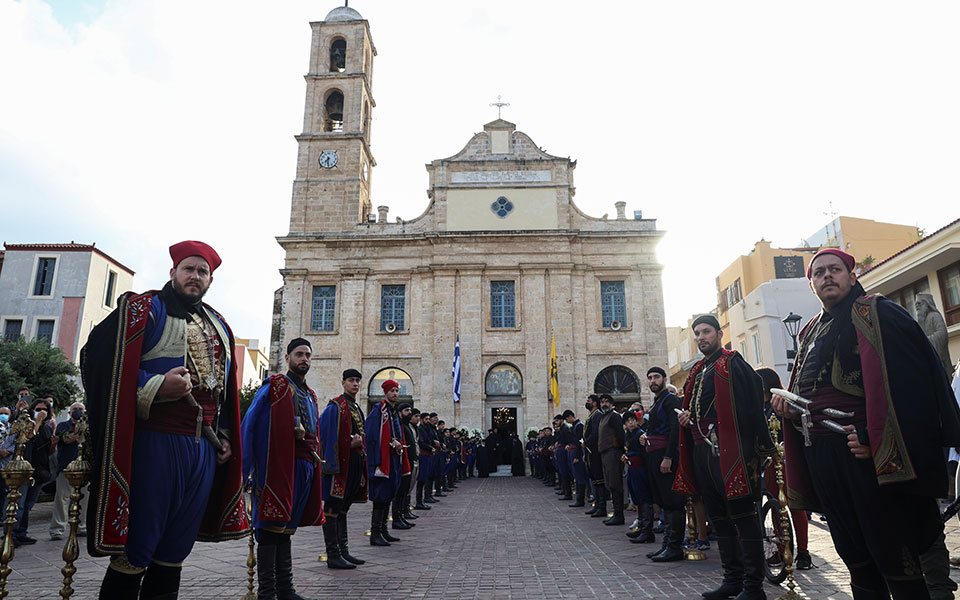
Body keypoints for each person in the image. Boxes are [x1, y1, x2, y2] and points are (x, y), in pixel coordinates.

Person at [771, 248, 960, 599]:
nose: (827, 276)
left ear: (852, 276)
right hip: (824, 459)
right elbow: (811, 395)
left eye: (835, 269)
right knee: (855, 558)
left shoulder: (881, 314)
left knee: (895, 557)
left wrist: (875, 439)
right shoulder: (810, 330)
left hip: (869, 460)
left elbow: (914, 390)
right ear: (812, 285)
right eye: (819, 272)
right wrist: (791, 409)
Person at [81, 240, 247, 599]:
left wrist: (225, 435)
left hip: (202, 450)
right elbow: (99, 361)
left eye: (203, 272)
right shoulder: (144, 310)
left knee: (175, 551)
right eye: (188, 269)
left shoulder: (218, 324)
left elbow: (222, 395)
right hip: (155, 445)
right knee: (136, 548)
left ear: (210, 280)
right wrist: (156, 386)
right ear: (173, 273)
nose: (195, 276)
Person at [674, 315, 775, 600]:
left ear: (719, 334)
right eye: (697, 333)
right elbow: (698, 408)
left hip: (732, 452)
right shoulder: (697, 370)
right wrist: (688, 418)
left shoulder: (733, 362)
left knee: (743, 516)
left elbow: (754, 396)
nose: (701, 337)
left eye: (706, 331)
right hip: (703, 452)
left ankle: (753, 587)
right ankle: (732, 579)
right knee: (718, 518)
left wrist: (748, 440)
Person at [241, 338, 323, 599]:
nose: (304, 359)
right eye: (299, 354)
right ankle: (267, 593)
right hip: (277, 469)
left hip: (304, 469)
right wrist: (244, 471)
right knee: (268, 529)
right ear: (287, 358)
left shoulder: (310, 395)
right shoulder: (275, 387)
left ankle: (285, 589)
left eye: (308, 355)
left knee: (286, 530)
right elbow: (250, 424)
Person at [755, 367, 811, 571]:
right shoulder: (760, 406)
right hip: (769, 464)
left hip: (787, 461)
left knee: (795, 506)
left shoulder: (782, 403)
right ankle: (780, 548)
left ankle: (803, 552)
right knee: (776, 509)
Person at [318, 368, 368, 569]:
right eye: (351, 380)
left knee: (344, 508)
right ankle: (333, 554)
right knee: (332, 508)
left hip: (354, 464)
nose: (355, 384)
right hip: (338, 466)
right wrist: (349, 445)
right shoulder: (335, 407)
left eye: (357, 380)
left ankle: (343, 550)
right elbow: (327, 435)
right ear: (343, 382)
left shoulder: (355, 407)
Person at [642, 367, 686, 562]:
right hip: (653, 454)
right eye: (650, 378)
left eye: (656, 377)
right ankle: (666, 544)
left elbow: (675, 429)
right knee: (662, 500)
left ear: (664, 379)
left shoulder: (670, 400)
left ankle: (675, 546)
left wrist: (668, 457)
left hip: (666, 455)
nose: (653, 381)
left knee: (672, 500)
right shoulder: (656, 401)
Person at [365, 379, 408, 546]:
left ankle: (383, 530)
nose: (395, 394)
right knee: (380, 497)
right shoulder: (378, 411)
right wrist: (391, 443)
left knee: (389, 495)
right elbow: (372, 435)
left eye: (397, 391)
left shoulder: (392, 412)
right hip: (382, 461)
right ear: (386, 392)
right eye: (392, 391)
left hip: (393, 459)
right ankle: (375, 533)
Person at [49, 401, 87, 541]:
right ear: (70, 412)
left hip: (84, 468)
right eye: (75, 409)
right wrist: (79, 429)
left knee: (85, 499)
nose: (78, 411)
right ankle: (57, 529)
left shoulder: (90, 426)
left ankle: (82, 527)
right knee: (62, 498)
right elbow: (65, 440)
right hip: (66, 467)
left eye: (81, 409)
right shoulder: (63, 426)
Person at [622, 410, 655, 544]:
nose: (631, 423)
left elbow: (645, 453)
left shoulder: (640, 434)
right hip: (632, 469)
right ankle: (642, 527)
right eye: (628, 421)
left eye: (633, 420)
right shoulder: (629, 435)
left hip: (640, 470)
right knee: (637, 498)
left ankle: (647, 531)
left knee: (644, 498)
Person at [597, 394, 625, 525]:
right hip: (605, 453)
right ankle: (615, 512)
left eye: (607, 402)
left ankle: (619, 514)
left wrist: (619, 449)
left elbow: (620, 435)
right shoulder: (603, 417)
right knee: (610, 484)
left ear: (611, 403)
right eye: (602, 402)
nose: (604, 404)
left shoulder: (614, 416)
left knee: (615, 483)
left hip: (613, 452)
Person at [394, 404, 418, 525]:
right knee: (401, 489)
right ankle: (397, 517)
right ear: (399, 413)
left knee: (406, 489)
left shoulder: (407, 425)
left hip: (409, 460)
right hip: (403, 461)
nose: (409, 412)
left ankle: (402, 513)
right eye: (406, 410)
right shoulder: (400, 426)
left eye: (410, 410)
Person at [583, 395, 605, 517]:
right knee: (594, 479)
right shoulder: (592, 415)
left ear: (595, 403)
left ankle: (601, 506)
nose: (587, 403)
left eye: (589, 401)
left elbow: (596, 433)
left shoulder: (597, 415)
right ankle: (597, 505)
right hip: (590, 451)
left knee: (598, 479)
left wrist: (586, 442)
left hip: (595, 451)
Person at [564, 410, 588, 507]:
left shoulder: (579, 426)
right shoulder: (575, 426)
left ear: (570, 417)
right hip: (573, 451)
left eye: (567, 419)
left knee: (579, 476)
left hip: (577, 452)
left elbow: (579, 442)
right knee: (576, 476)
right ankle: (579, 497)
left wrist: (577, 456)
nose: (567, 421)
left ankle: (580, 499)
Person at [416, 411, 438, 506]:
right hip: (423, 455)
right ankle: (419, 501)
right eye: (426, 419)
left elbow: (428, 440)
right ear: (421, 420)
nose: (428, 421)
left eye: (429, 419)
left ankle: (427, 496)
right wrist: (430, 447)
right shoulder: (420, 429)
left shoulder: (426, 429)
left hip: (428, 454)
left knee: (428, 476)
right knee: (422, 479)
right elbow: (421, 442)